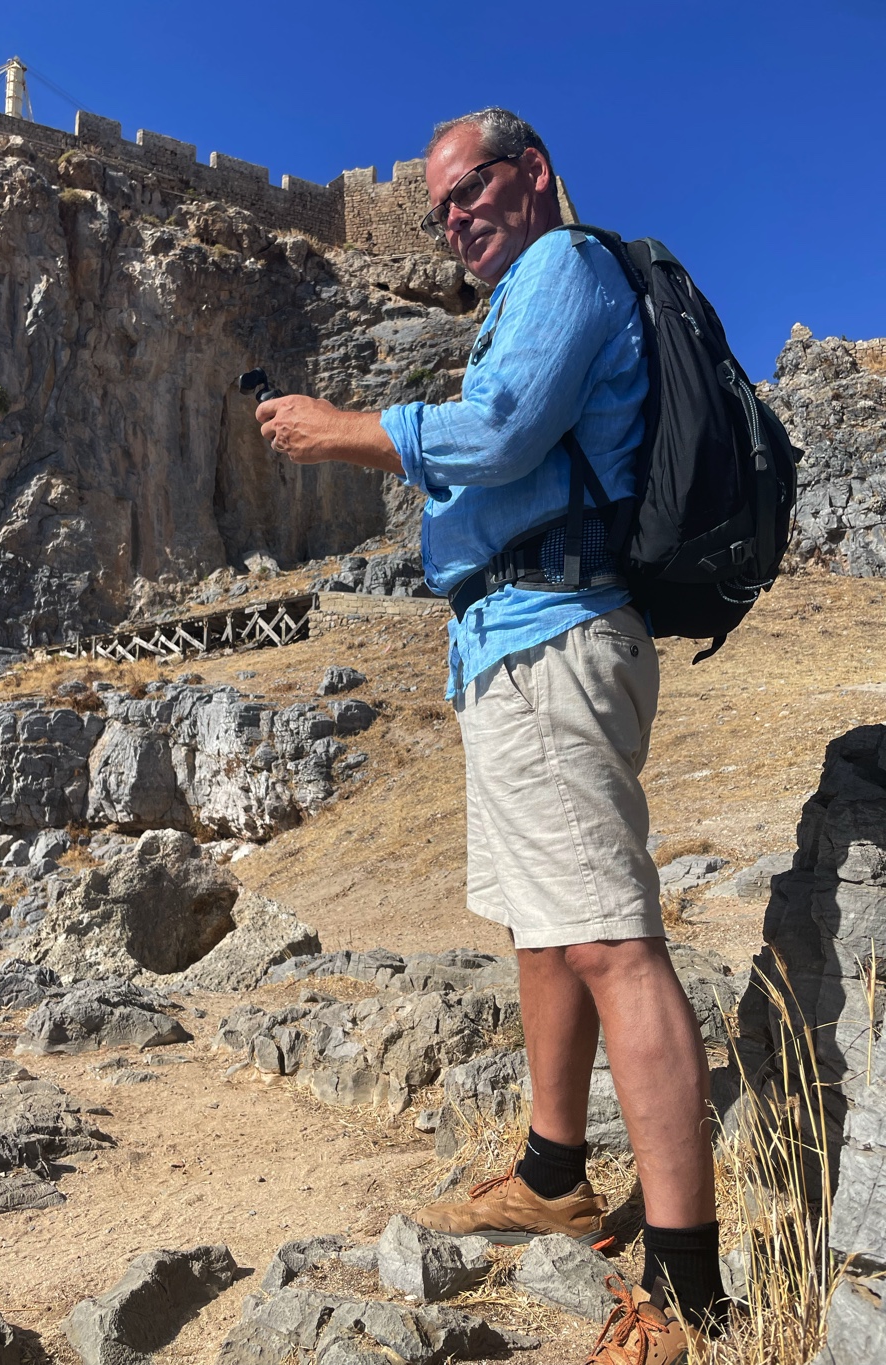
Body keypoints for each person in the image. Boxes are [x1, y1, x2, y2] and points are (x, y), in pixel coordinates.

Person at [254, 107, 728, 1361]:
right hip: (507, 643)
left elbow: (507, 429)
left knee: (614, 944)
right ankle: (553, 1172)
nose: (456, 215)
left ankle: (690, 1286)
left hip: (558, 633)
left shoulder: (563, 268)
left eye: (472, 187)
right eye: (439, 206)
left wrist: (351, 431)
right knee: (539, 924)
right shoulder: (521, 286)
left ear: (534, 175)